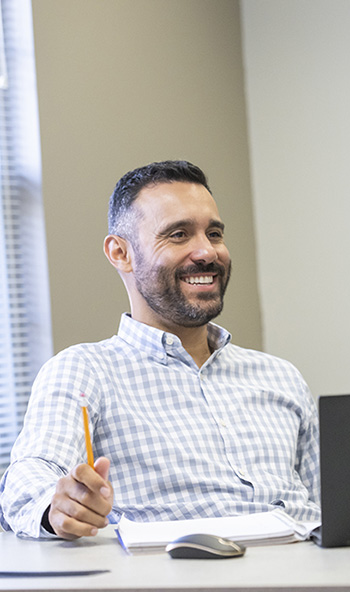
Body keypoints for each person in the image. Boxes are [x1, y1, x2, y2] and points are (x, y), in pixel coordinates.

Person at [0, 160, 320, 539]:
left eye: (214, 233)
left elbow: (333, 507)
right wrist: (58, 505)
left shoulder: (280, 376)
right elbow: (27, 478)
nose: (206, 252)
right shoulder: (84, 370)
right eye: (179, 235)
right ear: (121, 253)